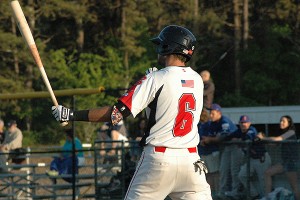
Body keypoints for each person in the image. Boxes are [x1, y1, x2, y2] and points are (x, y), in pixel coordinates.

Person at [52, 25, 212, 199]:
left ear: (167, 47)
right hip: (191, 161)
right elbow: (164, 112)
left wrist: (72, 115)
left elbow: (116, 114)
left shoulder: (156, 78)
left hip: (159, 160)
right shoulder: (197, 80)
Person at [201, 104, 243, 197]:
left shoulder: (224, 121)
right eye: (210, 113)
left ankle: (235, 192)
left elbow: (222, 137)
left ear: (219, 113)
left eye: (212, 113)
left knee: (234, 170)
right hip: (227, 148)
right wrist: (208, 139)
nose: (210, 115)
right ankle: (222, 192)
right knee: (223, 170)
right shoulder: (213, 123)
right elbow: (211, 136)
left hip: (236, 147)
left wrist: (210, 139)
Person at [228, 115, 271, 199]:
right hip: (251, 159)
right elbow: (227, 137)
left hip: (261, 159)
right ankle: (254, 194)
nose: (244, 124)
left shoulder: (252, 130)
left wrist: (237, 140)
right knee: (242, 175)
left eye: (246, 122)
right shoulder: (239, 131)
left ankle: (267, 198)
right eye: (242, 122)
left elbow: (248, 138)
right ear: (239, 123)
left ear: (249, 123)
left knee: (263, 181)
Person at [257, 115, 300, 200]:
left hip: (292, 162)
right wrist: (262, 140)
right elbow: (274, 144)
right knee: (268, 173)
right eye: (280, 121)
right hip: (285, 162)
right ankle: (268, 197)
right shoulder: (284, 134)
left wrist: (263, 137)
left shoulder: (291, 132)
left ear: (289, 123)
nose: (281, 123)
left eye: (283, 121)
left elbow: (277, 139)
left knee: (294, 186)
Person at [198, 109, 220, 196]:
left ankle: (217, 192)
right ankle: (211, 193)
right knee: (208, 174)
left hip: (211, 152)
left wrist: (205, 140)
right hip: (203, 153)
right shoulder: (199, 125)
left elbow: (212, 136)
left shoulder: (209, 124)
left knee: (215, 173)